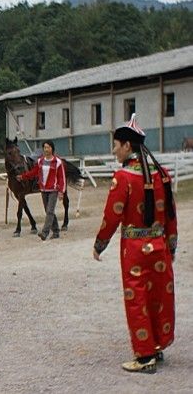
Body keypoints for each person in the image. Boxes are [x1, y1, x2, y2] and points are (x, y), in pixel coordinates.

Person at [92, 114, 177, 374]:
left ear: (127, 146)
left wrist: (100, 244)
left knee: (136, 298)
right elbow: (171, 215)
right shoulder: (161, 175)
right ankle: (157, 345)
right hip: (159, 247)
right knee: (157, 296)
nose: (114, 150)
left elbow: (112, 215)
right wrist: (171, 246)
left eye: (116, 145)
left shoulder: (124, 178)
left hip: (135, 251)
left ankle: (144, 356)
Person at [15, 140, 66, 240]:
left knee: (50, 211)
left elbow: (61, 177)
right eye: (45, 148)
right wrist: (23, 176)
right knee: (48, 211)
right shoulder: (40, 161)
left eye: (48, 147)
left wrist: (61, 191)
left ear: (52, 148)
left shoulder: (58, 162)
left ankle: (45, 232)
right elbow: (34, 172)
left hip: (53, 190)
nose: (46, 150)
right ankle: (56, 231)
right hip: (43, 189)